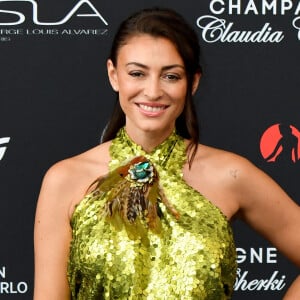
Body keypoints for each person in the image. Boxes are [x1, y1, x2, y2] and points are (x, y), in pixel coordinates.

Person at [33, 7, 300, 300]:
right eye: (137, 73)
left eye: (170, 76)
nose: (152, 91)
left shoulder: (231, 174)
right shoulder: (65, 179)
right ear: (114, 75)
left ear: (192, 83)